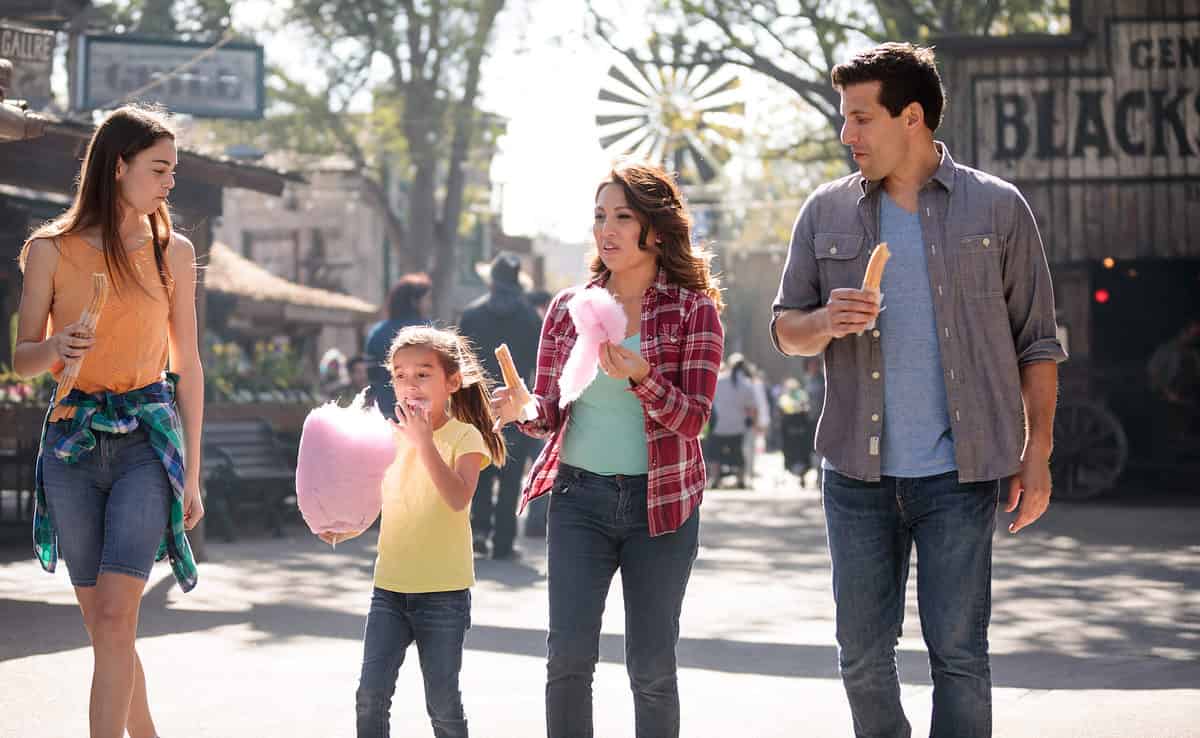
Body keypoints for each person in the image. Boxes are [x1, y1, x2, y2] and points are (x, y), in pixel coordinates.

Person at [771, 43, 1065, 738]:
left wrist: (1038, 453)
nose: (847, 135)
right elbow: (785, 331)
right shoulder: (825, 212)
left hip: (958, 479)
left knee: (960, 657)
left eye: (861, 118)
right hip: (855, 475)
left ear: (912, 118)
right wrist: (824, 322)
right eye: (846, 119)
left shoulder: (998, 209)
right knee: (863, 658)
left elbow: (1039, 342)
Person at [492, 161, 724, 738]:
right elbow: (549, 413)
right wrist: (522, 407)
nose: (607, 229)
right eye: (600, 216)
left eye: (624, 216)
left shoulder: (694, 311)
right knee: (568, 661)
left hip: (662, 507)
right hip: (578, 499)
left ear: (658, 228)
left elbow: (693, 420)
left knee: (651, 668)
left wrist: (643, 377)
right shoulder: (570, 308)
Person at [14, 105, 205, 738]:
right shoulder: (49, 250)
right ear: (118, 166)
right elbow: (21, 359)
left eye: (173, 170)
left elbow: (189, 367)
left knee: (120, 617)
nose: (170, 182)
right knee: (104, 623)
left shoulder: (171, 252)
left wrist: (193, 476)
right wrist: (56, 348)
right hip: (70, 442)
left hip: (146, 443)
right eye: (159, 168)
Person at [323, 325, 506, 738]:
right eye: (401, 375)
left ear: (452, 382)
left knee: (442, 704)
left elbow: (457, 498)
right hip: (389, 588)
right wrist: (342, 525)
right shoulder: (387, 437)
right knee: (370, 697)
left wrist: (424, 443)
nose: (410, 384)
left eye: (423, 374)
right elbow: (380, 500)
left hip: (443, 593)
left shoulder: (465, 436)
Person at [458, 252, 542, 559]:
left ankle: (478, 532)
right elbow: (537, 366)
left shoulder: (471, 314)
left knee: (479, 468)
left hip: (478, 404)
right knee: (510, 473)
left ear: (492, 280)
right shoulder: (532, 317)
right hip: (516, 403)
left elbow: (461, 363)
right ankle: (504, 540)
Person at [365, 273, 434, 419]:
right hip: (419, 413)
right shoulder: (426, 331)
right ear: (414, 302)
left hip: (385, 412)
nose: (429, 304)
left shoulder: (377, 333)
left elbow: (371, 374)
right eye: (427, 299)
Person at [522, 289, 554, 539]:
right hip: (534, 405)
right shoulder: (537, 324)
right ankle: (535, 524)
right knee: (540, 462)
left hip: (508, 403)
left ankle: (486, 527)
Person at [705, 354, 759, 488]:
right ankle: (741, 479)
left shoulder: (719, 381)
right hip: (738, 427)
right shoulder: (746, 385)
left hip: (719, 426)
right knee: (738, 454)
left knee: (715, 453)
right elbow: (752, 409)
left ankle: (715, 479)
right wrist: (754, 424)